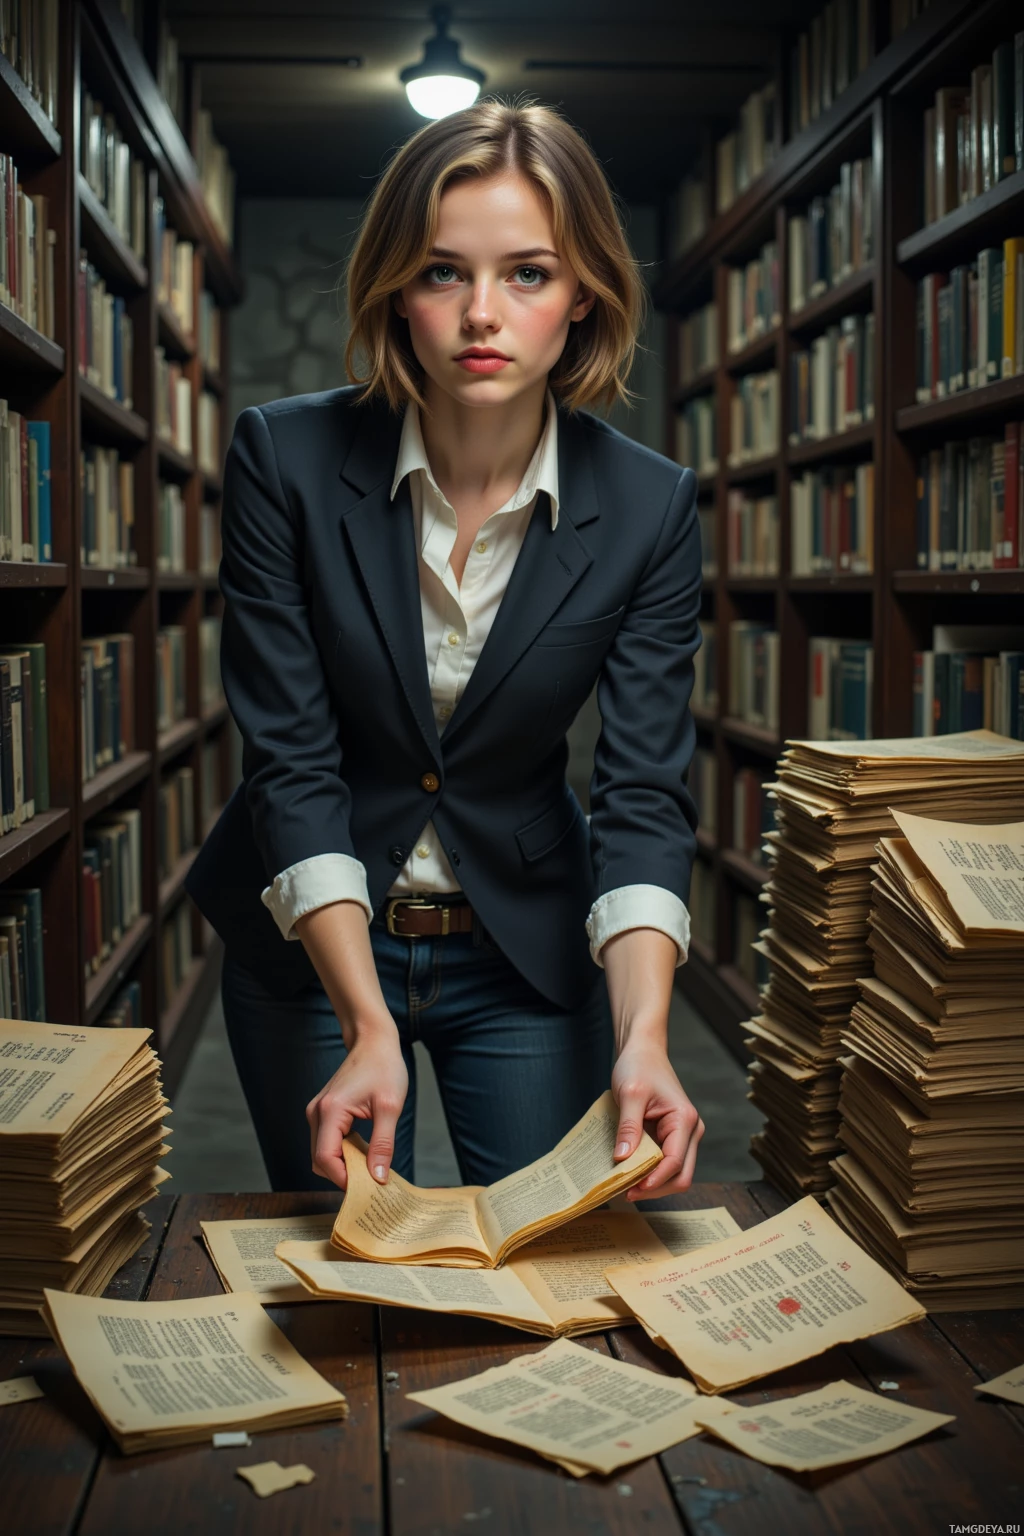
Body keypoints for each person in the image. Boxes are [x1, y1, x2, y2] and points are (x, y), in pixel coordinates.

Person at [186, 99, 705, 1200]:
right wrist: (360, 1020)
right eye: (440, 273)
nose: (482, 313)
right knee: (360, 1289)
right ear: (395, 291)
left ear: (583, 297)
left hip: (522, 948)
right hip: (312, 948)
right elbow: (292, 759)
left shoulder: (651, 507)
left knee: (539, 1270)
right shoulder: (283, 458)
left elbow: (644, 793)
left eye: (526, 273)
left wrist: (647, 1032)